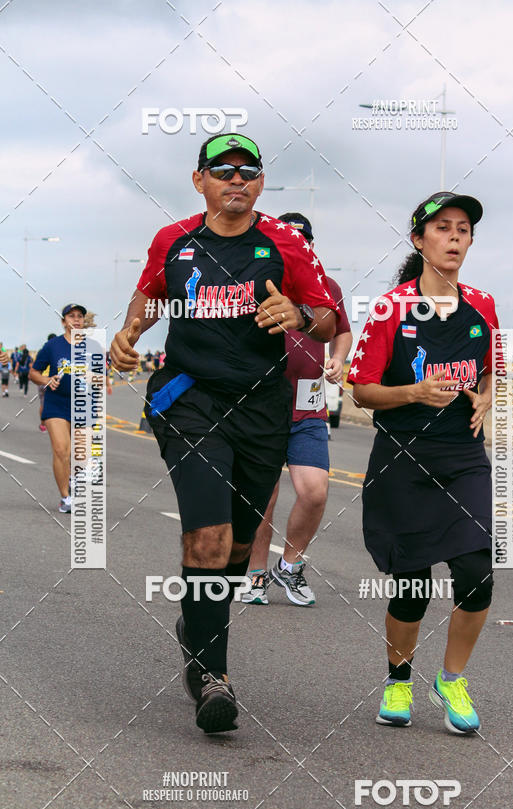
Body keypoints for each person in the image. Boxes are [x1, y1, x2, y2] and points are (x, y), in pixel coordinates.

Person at [110, 132, 338, 735]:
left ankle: (197, 627)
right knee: (207, 538)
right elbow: (150, 293)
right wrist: (130, 331)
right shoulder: (174, 240)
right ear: (200, 180)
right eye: (223, 170)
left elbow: (328, 316)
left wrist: (298, 315)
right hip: (190, 399)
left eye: (248, 171)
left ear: (260, 183)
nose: (236, 179)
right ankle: (216, 675)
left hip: (263, 408)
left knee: (237, 548)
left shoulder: (286, 245)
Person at [348, 191, 500, 735]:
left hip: (462, 456)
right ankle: (398, 676)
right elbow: (360, 390)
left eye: (464, 229)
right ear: (419, 240)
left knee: (477, 573)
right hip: (403, 458)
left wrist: (485, 394)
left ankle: (452, 678)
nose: (456, 237)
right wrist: (412, 392)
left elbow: (490, 368)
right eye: (444, 228)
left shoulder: (483, 304)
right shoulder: (390, 309)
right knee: (410, 584)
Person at [241, 212, 352, 606]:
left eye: (303, 240)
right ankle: (255, 575)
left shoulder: (327, 286)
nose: (297, 246)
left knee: (315, 492)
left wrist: (339, 359)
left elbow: (341, 331)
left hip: (308, 408)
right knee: (263, 498)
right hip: (262, 407)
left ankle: (289, 567)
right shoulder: (257, 283)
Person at [30, 305, 87, 512]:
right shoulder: (52, 346)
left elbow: (100, 373)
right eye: (71, 316)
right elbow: (33, 372)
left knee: (79, 454)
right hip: (56, 403)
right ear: (64, 322)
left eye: (80, 316)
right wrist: (46, 379)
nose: (76, 320)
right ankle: (65, 497)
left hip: (81, 404)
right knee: (61, 449)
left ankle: (71, 477)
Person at [36, 333, 57, 432]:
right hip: (53, 379)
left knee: (43, 403)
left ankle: (43, 425)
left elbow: (36, 367)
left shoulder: (42, 351)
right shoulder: (57, 351)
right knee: (55, 403)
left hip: (42, 380)